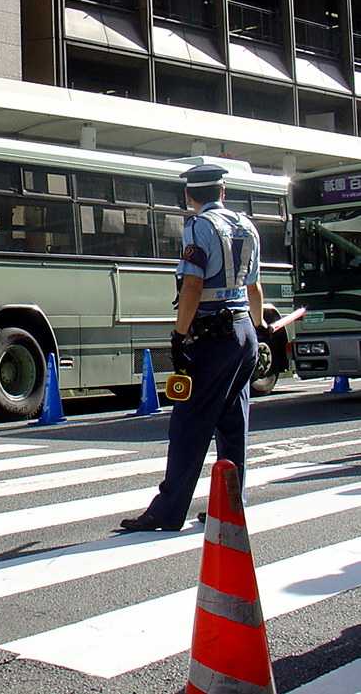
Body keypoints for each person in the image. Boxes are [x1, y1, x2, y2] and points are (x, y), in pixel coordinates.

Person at [120, 164, 263, 532]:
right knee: (233, 421)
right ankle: (233, 503)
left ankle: (167, 511)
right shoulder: (247, 226)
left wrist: (179, 335)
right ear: (223, 191)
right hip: (244, 330)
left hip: (212, 335)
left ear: (189, 195)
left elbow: (193, 287)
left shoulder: (199, 226)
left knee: (188, 423)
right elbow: (255, 288)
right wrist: (257, 329)